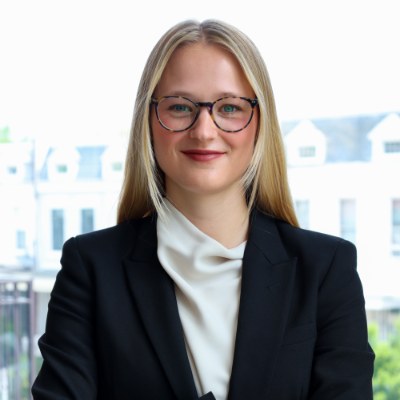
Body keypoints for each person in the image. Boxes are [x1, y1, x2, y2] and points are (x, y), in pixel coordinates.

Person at [32, 19, 374, 400]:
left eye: (229, 107)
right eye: (180, 107)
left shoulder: (326, 270)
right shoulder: (90, 269)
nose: (204, 130)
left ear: (260, 124)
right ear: (148, 121)